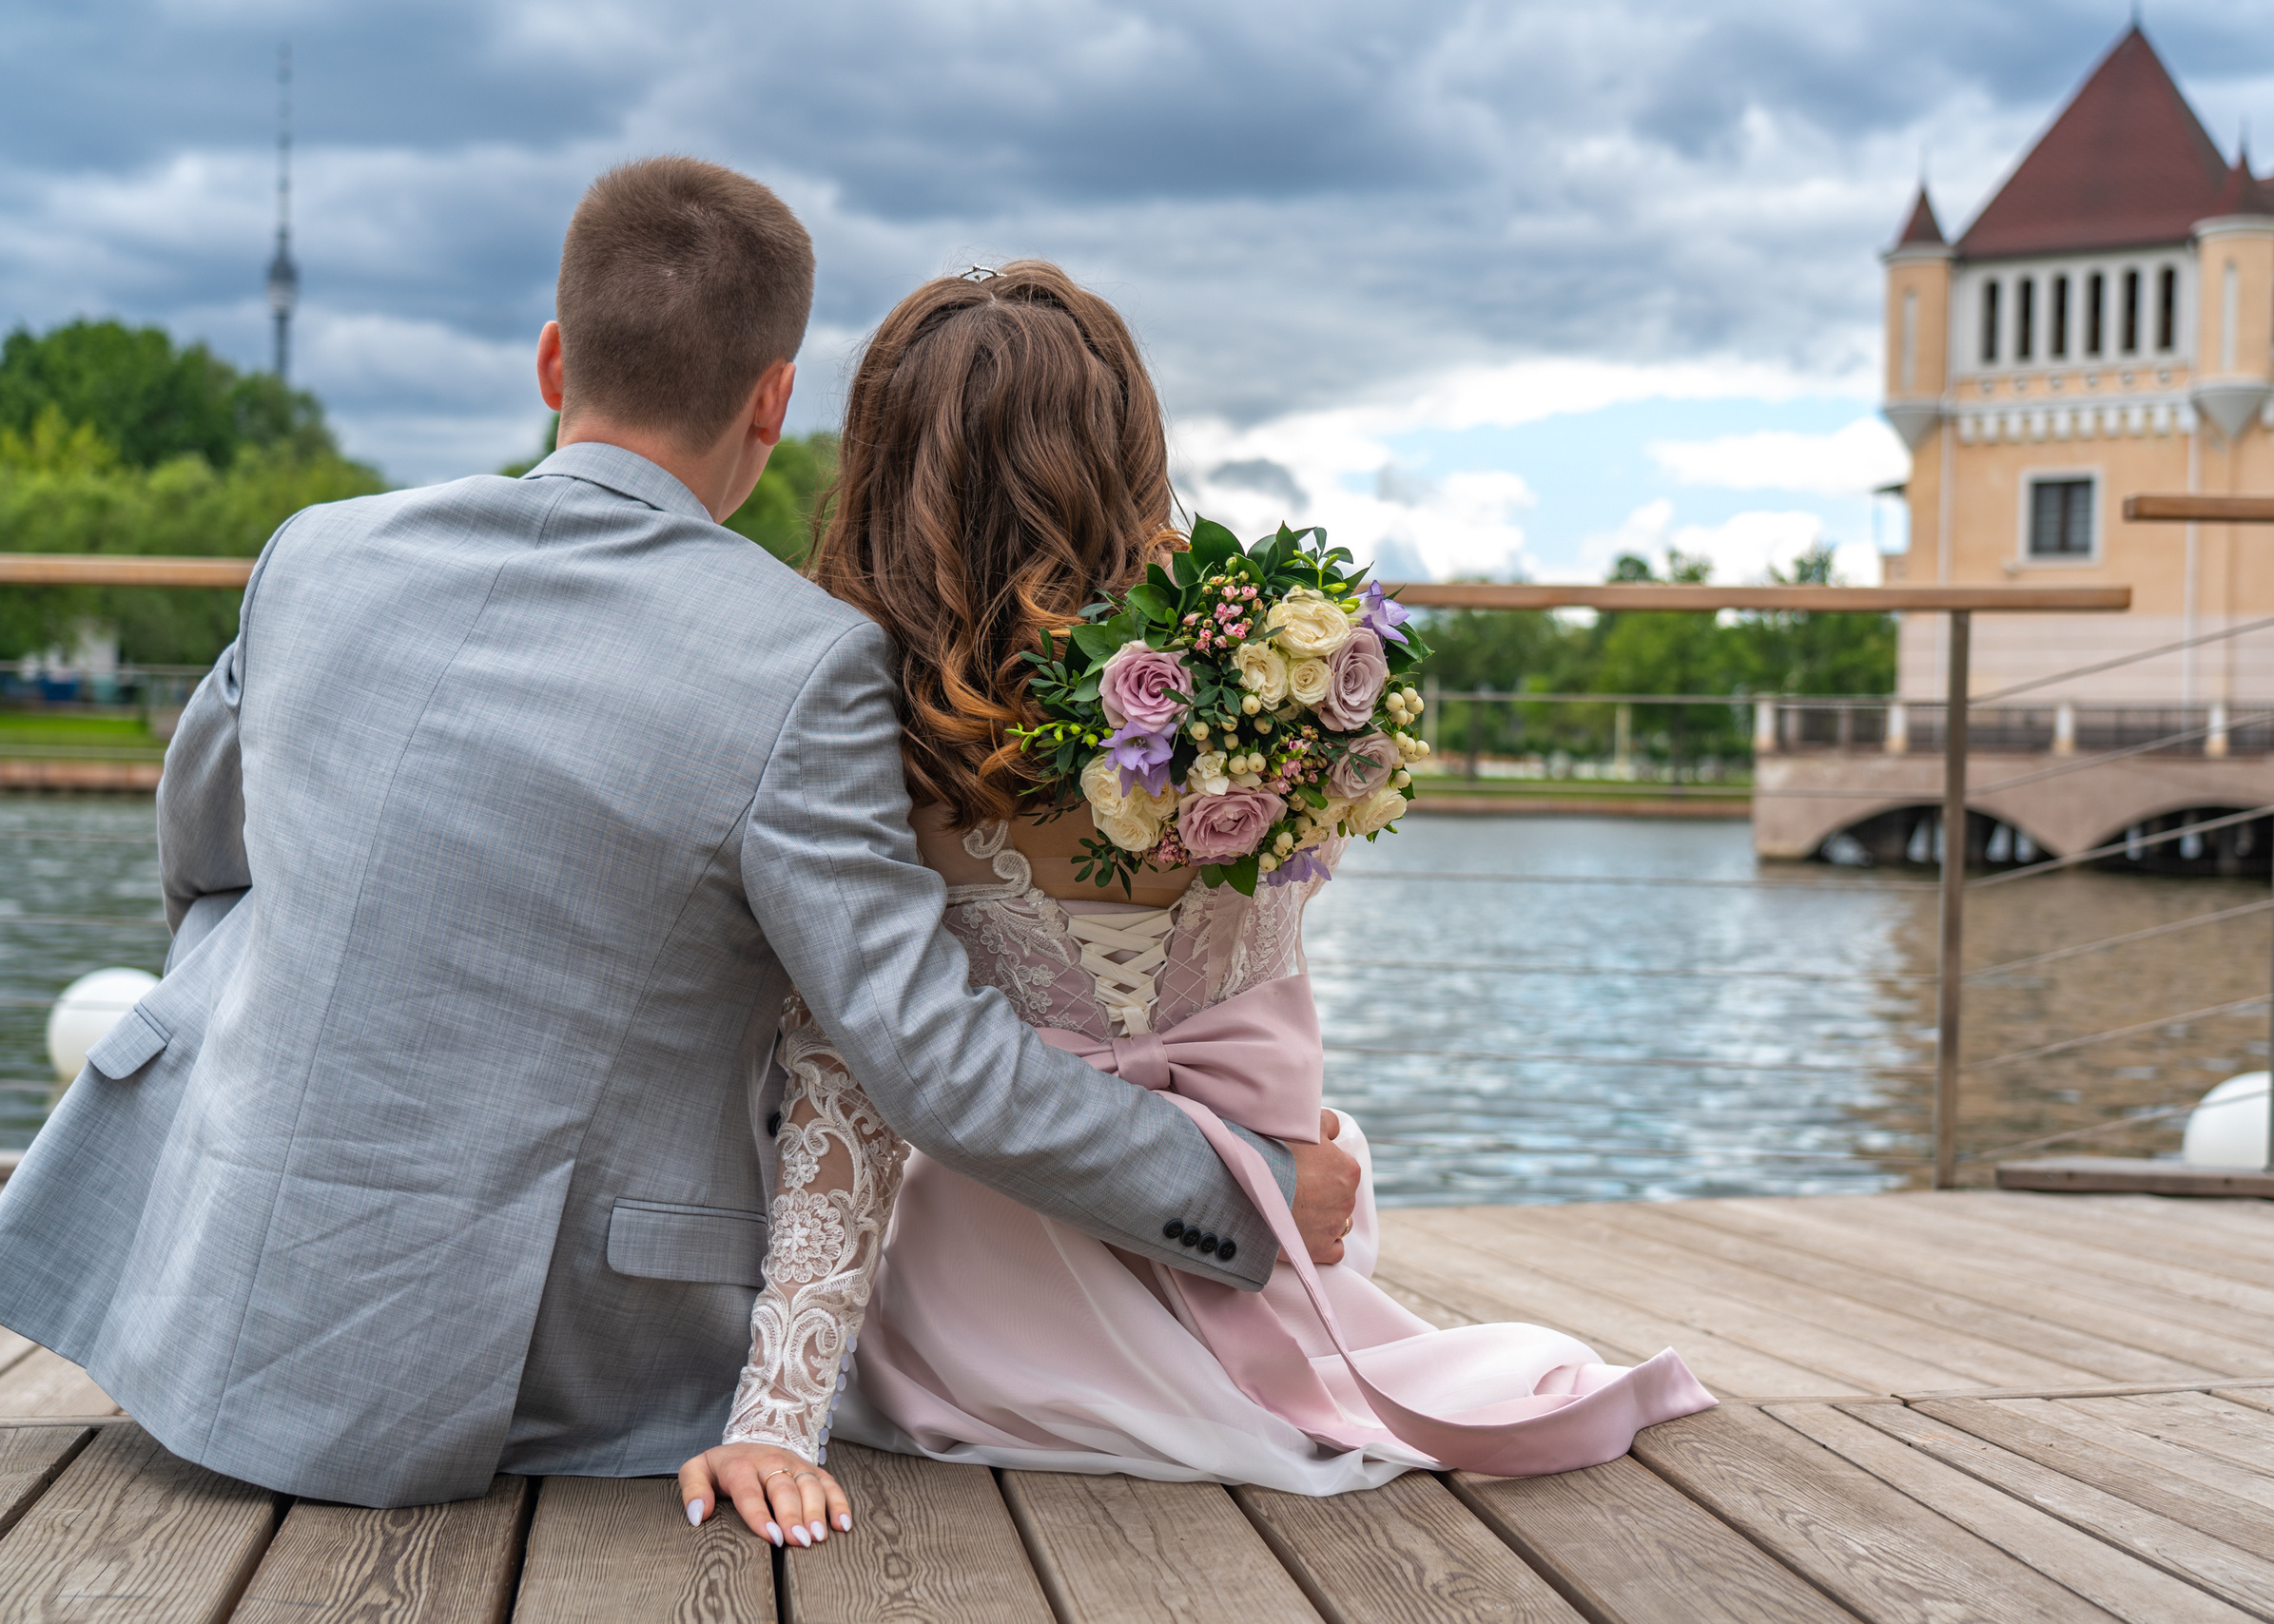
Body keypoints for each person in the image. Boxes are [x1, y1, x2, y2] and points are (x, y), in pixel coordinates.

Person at [0, 161, 1357, 1533]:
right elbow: (930, 1059)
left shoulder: (313, 556)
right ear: (773, 401)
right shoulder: (802, 665)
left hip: (178, 1278)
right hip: (523, 1371)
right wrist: (1241, 1189)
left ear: (553, 360)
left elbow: (207, 865)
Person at [681, 263, 1714, 1505]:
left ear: (888, 473)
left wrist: (779, 1415)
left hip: (986, 1334)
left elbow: (847, 1086)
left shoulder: (870, 745)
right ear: (1131, 447)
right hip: (1270, 1258)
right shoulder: (1270, 693)